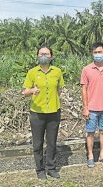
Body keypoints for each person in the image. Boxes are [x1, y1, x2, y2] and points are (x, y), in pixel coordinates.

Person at [22, 46, 64, 180]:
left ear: (51, 56)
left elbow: (59, 89)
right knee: (38, 143)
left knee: (52, 142)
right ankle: (40, 170)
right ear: (37, 56)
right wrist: (32, 91)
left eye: (46, 53)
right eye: (41, 54)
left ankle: (51, 168)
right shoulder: (32, 72)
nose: (44, 55)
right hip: (37, 113)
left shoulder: (57, 71)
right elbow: (24, 91)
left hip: (53, 112)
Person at [81, 42, 103, 168]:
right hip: (91, 108)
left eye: (100, 52)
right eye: (95, 52)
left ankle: (102, 155)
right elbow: (84, 89)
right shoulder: (86, 70)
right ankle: (90, 156)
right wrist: (85, 107)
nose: (97, 54)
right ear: (92, 53)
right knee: (90, 132)